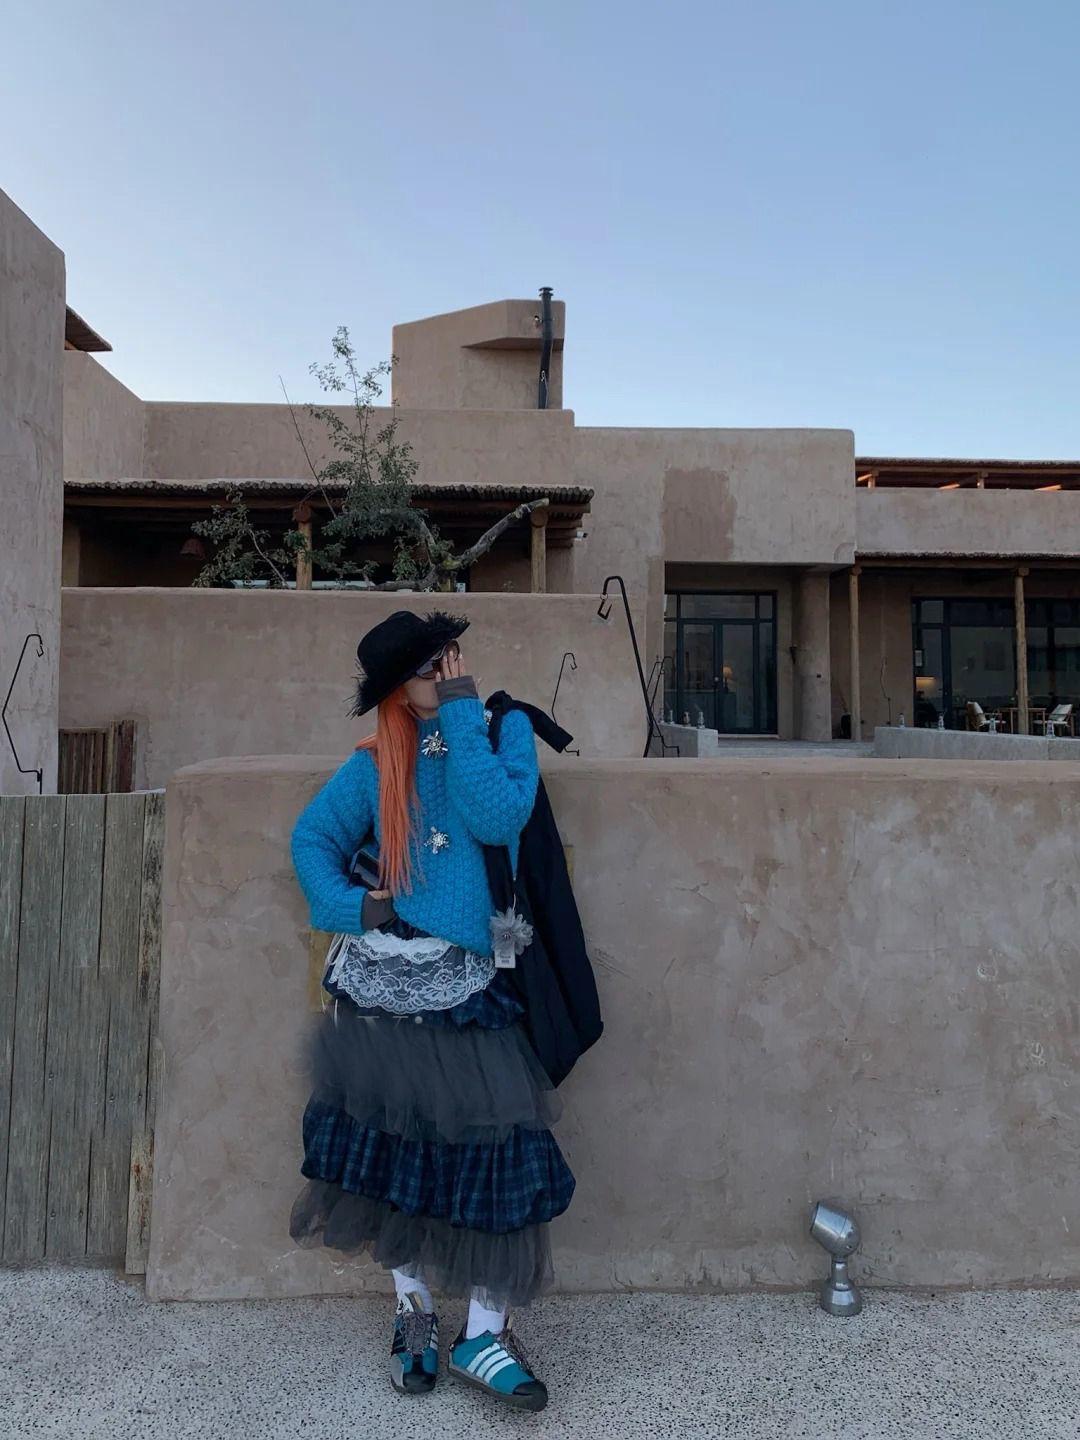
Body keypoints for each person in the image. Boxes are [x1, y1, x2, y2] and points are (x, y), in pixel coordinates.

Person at [289, 609, 573, 1412]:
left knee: (495, 1155)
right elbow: (312, 841)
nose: (441, 670)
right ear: (397, 689)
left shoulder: (505, 729)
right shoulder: (378, 759)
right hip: (380, 982)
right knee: (390, 1150)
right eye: (424, 669)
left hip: (472, 986)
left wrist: (461, 706)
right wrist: (360, 907)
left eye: (444, 658)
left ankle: (483, 1334)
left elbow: (496, 816)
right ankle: (412, 1314)